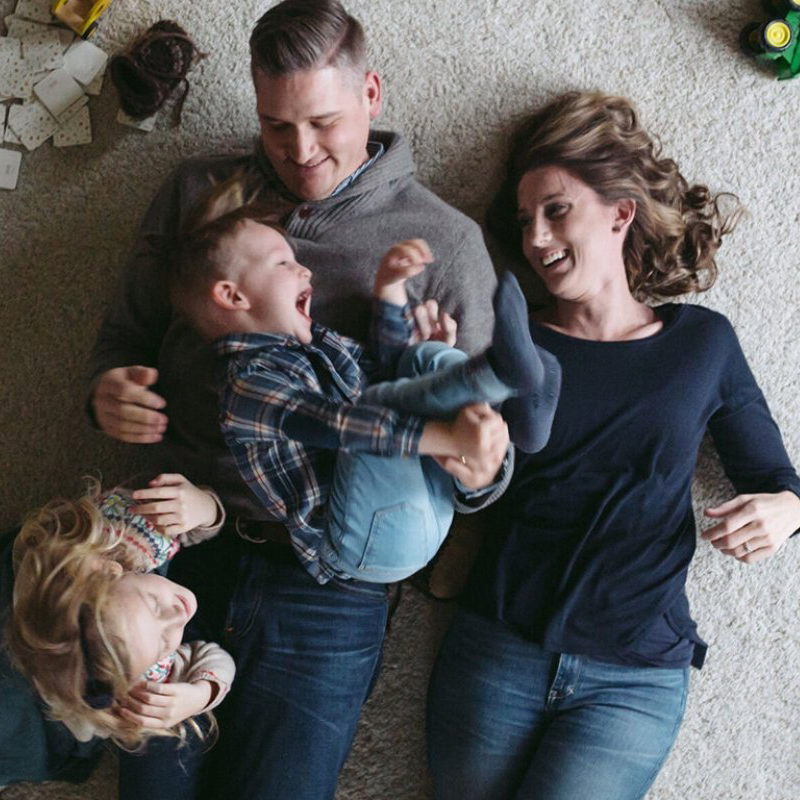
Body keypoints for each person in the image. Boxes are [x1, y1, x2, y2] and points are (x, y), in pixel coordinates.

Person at [86, 1, 509, 797]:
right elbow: (122, 339)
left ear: (371, 94)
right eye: (277, 126)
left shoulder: (443, 242)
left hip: (330, 582)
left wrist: (479, 466)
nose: (301, 152)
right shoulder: (197, 193)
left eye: (322, 122)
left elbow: (484, 455)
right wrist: (108, 391)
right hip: (176, 551)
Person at [425, 90, 800, 800]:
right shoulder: (510, 338)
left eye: (556, 209)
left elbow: (780, 478)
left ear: (621, 212)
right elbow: (454, 480)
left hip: (634, 678)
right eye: (525, 219)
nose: (535, 238)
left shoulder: (701, 344)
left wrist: (786, 509)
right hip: (497, 646)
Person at [168, 181, 561, 583]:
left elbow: (387, 370)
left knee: (420, 357)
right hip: (369, 542)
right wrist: (447, 438)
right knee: (367, 410)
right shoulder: (247, 386)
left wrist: (389, 290)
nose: (305, 269)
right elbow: (338, 425)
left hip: (428, 496)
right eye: (282, 263)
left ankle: (513, 387)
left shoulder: (316, 340)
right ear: (233, 297)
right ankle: (498, 376)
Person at [2, 475, 234, 787]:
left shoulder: (125, 531)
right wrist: (201, 694)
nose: (178, 617)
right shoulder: (135, 683)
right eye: (165, 643)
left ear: (109, 569)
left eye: (154, 605)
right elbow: (214, 659)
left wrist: (207, 509)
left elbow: (185, 511)